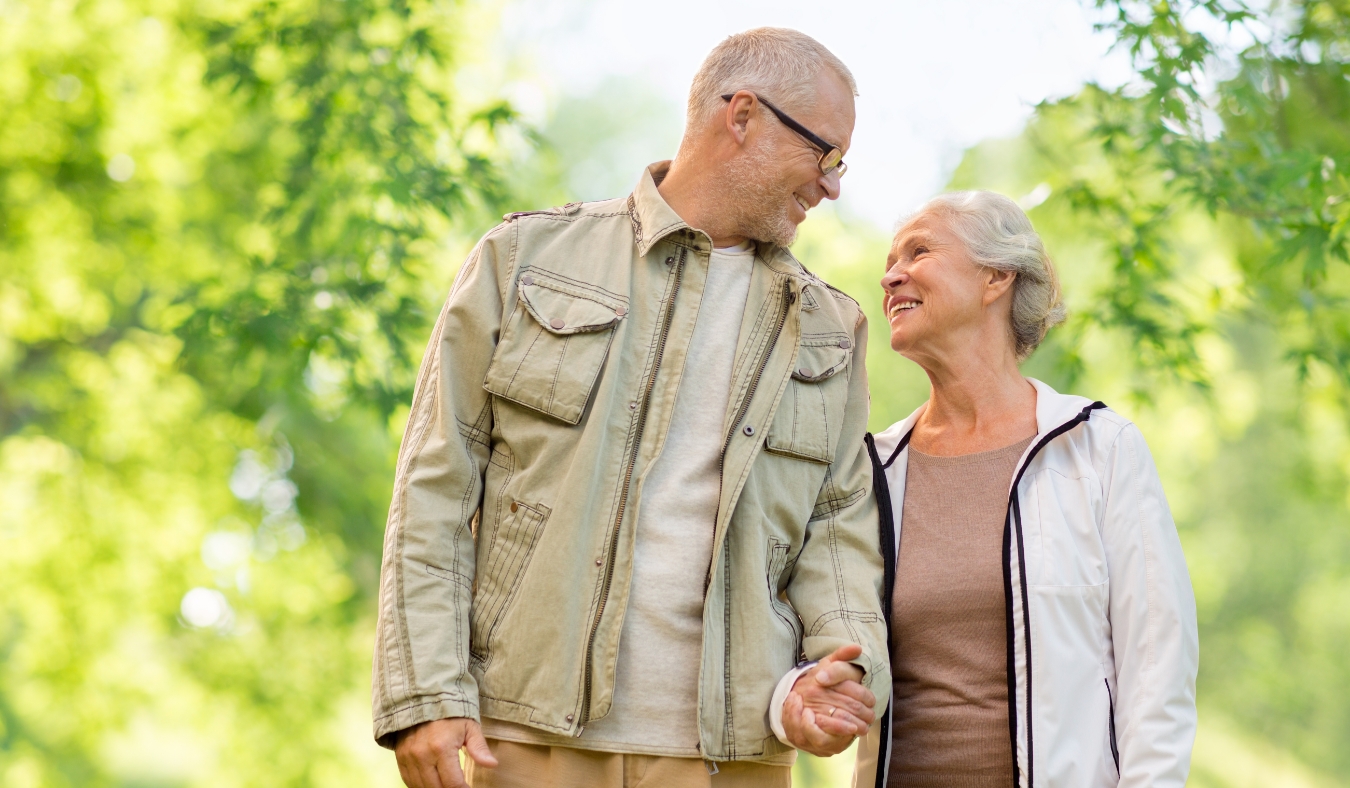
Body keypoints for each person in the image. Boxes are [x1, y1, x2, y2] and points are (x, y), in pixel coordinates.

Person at [371, 28, 890, 788]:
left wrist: (841, 672)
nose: (833, 186)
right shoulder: (523, 263)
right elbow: (436, 488)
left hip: (734, 754)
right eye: (825, 153)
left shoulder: (830, 328)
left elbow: (839, 533)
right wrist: (425, 690)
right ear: (741, 115)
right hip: (527, 735)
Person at [855, 191, 1199, 788]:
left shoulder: (1099, 449)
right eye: (890, 260)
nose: (890, 276)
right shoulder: (873, 470)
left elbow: (1158, 673)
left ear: (995, 276)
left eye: (920, 251)